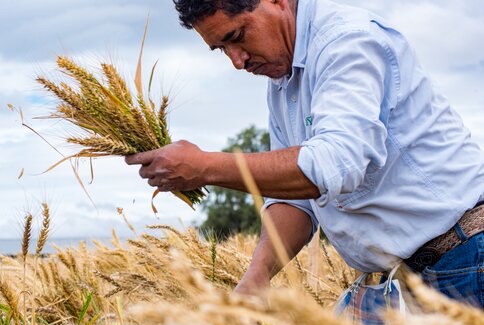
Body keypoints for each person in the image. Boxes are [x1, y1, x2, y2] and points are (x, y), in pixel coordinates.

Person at [124, 0, 484, 307]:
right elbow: (297, 202)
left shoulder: (347, 43)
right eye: (221, 49)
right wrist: (254, 281)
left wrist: (206, 167)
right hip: (396, 283)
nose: (236, 60)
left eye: (236, 37)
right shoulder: (284, 82)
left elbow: (333, 165)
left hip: (465, 260)